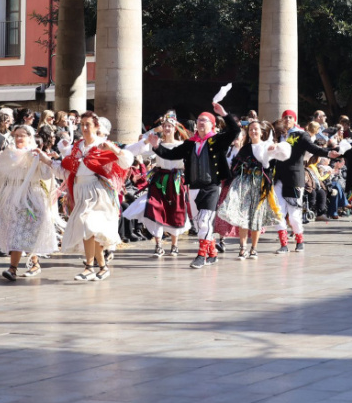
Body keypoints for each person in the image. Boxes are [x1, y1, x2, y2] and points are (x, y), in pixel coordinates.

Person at [149, 103, 239, 269]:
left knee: (204, 222)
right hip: (193, 187)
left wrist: (224, 114)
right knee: (199, 224)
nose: (200, 123)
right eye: (198, 120)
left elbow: (235, 131)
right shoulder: (190, 143)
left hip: (211, 187)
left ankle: (201, 256)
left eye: (204, 120)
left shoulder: (217, 141)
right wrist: (156, 146)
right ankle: (212, 253)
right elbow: (171, 154)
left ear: (212, 124)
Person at [0, 124, 59, 280]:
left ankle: (34, 263)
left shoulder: (35, 154)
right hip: (12, 197)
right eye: (16, 135)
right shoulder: (7, 155)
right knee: (15, 232)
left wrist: (46, 160)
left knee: (30, 231)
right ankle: (13, 269)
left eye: (22, 135)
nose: (19, 138)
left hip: (31, 196)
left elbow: (46, 175)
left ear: (30, 137)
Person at [56, 111, 133, 281]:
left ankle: (89, 267)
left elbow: (126, 161)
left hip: (97, 191)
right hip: (80, 190)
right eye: (81, 124)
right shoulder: (78, 146)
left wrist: (112, 147)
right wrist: (49, 161)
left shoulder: (101, 145)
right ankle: (103, 267)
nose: (84, 128)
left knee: (87, 224)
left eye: (88, 124)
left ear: (96, 127)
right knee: (91, 230)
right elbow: (67, 167)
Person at [215, 120, 290, 259]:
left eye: (256, 129)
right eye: (251, 130)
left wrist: (275, 148)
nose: (253, 132)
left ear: (262, 131)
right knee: (242, 217)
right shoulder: (245, 148)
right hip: (243, 184)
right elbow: (235, 166)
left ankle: (254, 248)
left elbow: (277, 160)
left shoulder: (268, 146)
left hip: (259, 185)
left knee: (256, 218)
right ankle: (242, 247)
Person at [124, 112, 192, 257]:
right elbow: (142, 140)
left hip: (175, 181)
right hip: (160, 180)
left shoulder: (181, 145)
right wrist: (155, 131)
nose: (167, 129)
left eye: (170, 126)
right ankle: (158, 245)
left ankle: (174, 245)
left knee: (175, 211)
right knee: (155, 208)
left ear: (175, 129)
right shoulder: (156, 143)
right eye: (165, 126)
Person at [270, 110, 337, 253]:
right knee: (278, 212)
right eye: (285, 117)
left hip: (294, 177)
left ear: (294, 120)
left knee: (294, 214)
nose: (287, 119)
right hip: (278, 178)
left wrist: (327, 153)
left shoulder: (300, 135)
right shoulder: (277, 135)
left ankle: (299, 240)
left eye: (290, 117)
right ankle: (283, 244)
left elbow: (312, 148)